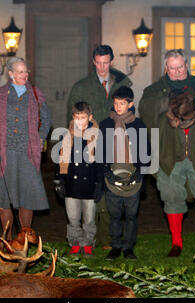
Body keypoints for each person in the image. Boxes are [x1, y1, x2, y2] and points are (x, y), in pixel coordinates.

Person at [139, 49, 195, 258]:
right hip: (170, 154)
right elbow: (145, 108)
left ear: (186, 65)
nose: (178, 71)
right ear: (166, 68)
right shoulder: (156, 89)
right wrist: (166, 103)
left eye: (181, 66)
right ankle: (176, 243)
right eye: (173, 68)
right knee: (172, 195)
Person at [66, 45, 132, 250]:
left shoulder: (122, 83)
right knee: (93, 191)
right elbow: (72, 117)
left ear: (111, 61)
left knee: (115, 189)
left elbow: (129, 110)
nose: (102, 67)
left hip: (116, 142)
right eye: (98, 62)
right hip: (90, 145)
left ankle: (109, 237)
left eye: (106, 62)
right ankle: (88, 238)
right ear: (93, 62)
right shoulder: (81, 87)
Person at [0, 57, 52, 240]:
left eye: (26, 71)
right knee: (4, 197)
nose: (25, 75)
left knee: (27, 195)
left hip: (27, 152)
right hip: (4, 151)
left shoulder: (36, 94)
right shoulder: (0, 94)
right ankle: (7, 238)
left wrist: (40, 137)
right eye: (20, 72)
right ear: (11, 74)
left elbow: (46, 119)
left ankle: (24, 237)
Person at [99, 86, 150, 260]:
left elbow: (145, 150)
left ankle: (128, 247)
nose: (119, 106)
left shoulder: (138, 124)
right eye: (116, 103)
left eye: (122, 103)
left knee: (130, 215)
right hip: (113, 177)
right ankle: (115, 246)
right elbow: (100, 150)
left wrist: (140, 172)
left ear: (131, 104)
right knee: (114, 215)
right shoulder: (106, 124)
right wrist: (106, 170)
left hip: (132, 177)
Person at [56, 102, 102, 256]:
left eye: (83, 118)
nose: (80, 122)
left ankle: (87, 242)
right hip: (72, 184)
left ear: (90, 117)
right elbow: (61, 158)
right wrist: (60, 180)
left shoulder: (97, 137)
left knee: (89, 217)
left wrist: (99, 183)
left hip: (89, 183)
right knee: (73, 217)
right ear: (73, 118)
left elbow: (101, 162)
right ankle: (75, 242)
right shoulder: (67, 136)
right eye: (77, 118)